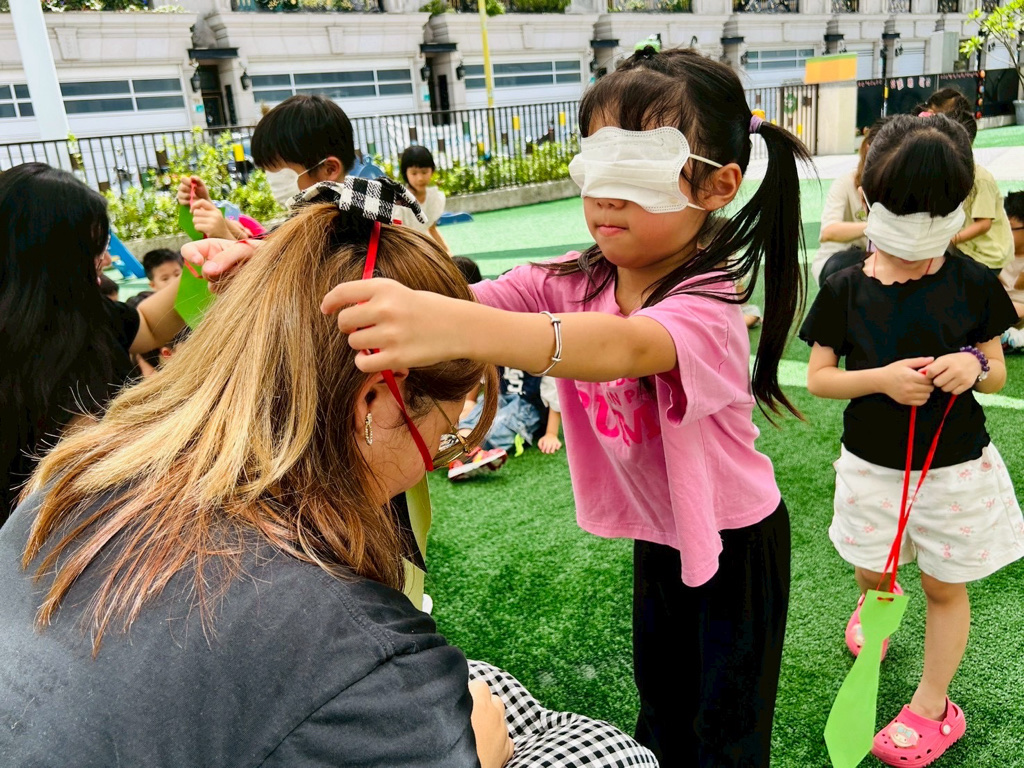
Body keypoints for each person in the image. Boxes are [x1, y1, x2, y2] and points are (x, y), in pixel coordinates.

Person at [0, 187, 657, 768]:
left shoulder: (78, 472)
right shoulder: (347, 640)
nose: (440, 452)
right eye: (448, 429)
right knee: (607, 752)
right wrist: (476, 750)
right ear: (373, 401)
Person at [313, 47, 808, 767]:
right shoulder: (578, 279)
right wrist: (293, 276)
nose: (606, 196)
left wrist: (459, 328)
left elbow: (623, 348)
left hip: (735, 538)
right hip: (663, 534)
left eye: (637, 171)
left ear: (716, 185)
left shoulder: (710, 301)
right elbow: (468, 298)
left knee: (727, 728)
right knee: (663, 701)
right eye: (597, 165)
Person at [800, 114, 1022, 767]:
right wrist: (882, 380)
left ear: (957, 209)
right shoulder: (844, 284)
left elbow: (996, 369)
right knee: (875, 572)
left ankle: (933, 704)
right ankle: (877, 600)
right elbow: (819, 378)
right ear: (870, 198)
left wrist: (973, 366)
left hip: (954, 471)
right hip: (870, 467)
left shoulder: (973, 283)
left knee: (944, 587)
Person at [0, 163, 186, 523]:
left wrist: (203, 264)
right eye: (94, 247)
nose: (108, 259)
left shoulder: (82, 311)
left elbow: (148, 324)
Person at [935, 103, 1014, 274]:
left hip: (986, 255)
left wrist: (950, 240)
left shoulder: (980, 179)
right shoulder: (950, 172)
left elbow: (984, 224)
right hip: (967, 247)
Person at [449, 367, 563, 482]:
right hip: (499, 397)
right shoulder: (496, 356)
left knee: (504, 425)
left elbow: (553, 394)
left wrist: (551, 433)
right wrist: (470, 401)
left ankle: (470, 455)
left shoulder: (542, 360)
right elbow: (482, 368)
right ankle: (458, 447)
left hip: (526, 405)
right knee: (478, 412)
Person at [813, 117, 890, 285]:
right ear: (869, 149)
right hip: (838, 260)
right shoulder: (845, 183)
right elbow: (828, 232)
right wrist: (874, 226)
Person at [399, 145, 449, 253]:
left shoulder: (434, 197)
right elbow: (398, 237)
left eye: (424, 172)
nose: (420, 178)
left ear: (432, 171)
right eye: (414, 173)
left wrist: (448, 253)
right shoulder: (399, 201)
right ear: (405, 173)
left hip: (425, 247)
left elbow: (432, 228)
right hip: (405, 249)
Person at [999, 191, 1024, 351]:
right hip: (997, 312)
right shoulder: (995, 251)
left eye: (1011, 228)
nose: (1005, 233)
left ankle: (1015, 338)